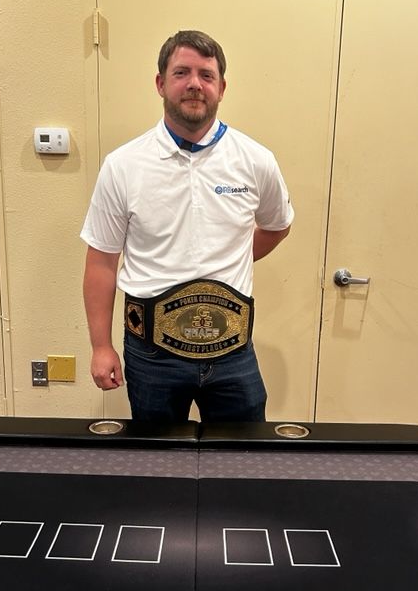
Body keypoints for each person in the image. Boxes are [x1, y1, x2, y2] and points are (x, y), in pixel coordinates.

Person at [81, 30, 294, 422]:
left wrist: (233, 258)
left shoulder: (256, 160)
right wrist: (100, 346)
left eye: (206, 75)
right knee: (159, 469)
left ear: (222, 87)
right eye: (182, 73)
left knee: (242, 465)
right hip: (151, 355)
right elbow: (101, 262)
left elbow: (277, 226)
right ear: (161, 83)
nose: (195, 84)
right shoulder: (123, 165)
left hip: (233, 352)